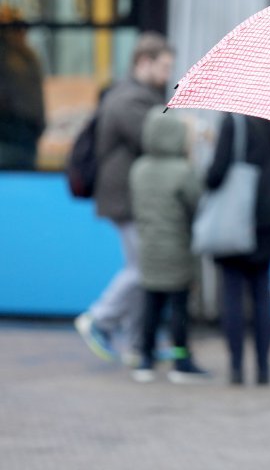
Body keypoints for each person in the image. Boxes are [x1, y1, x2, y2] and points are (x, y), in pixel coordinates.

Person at [74, 32, 175, 364]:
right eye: (163, 67)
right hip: (127, 197)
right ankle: (98, 319)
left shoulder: (134, 95)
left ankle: (136, 343)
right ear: (143, 62)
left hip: (130, 196)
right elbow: (157, 138)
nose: (166, 75)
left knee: (142, 268)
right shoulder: (130, 99)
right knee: (143, 268)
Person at [205, 113, 270, 386]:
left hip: (235, 218)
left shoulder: (232, 121)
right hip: (267, 216)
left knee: (232, 293)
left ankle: (235, 367)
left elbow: (215, 175)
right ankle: (263, 368)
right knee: (261, 293)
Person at [129, 107, 209, 383]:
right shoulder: (183, 171)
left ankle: (146, 359)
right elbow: (196, 204)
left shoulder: (138, 169)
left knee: (150, 305)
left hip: (149, 248)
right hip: (178, 248)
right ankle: (180, 360)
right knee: (178, 308)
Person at [0, 9, 45, 170]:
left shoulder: (28, 56)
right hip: (9, 135)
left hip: (27, 134)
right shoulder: (7, 57)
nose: (22, 33)